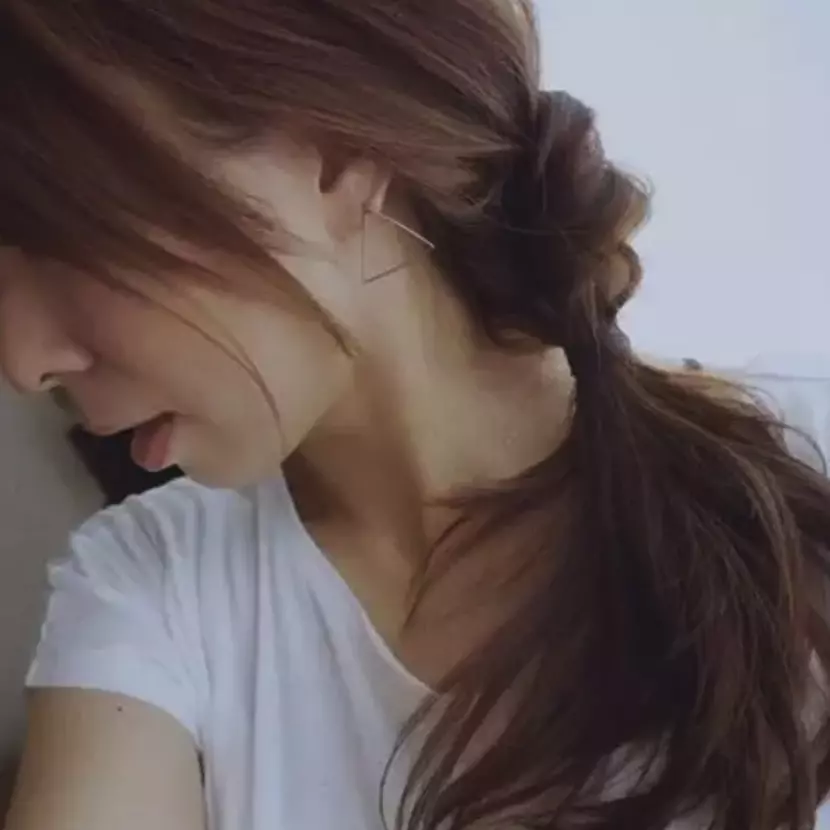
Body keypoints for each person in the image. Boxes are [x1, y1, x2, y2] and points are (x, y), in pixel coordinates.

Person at [1, 1, 829, 829]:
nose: (20, 360)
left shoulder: (805, 460)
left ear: (329, 149)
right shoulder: (148, 584)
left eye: (51, 230)